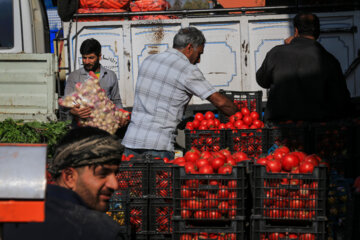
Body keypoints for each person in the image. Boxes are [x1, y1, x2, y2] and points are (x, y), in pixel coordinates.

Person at [122, 27, 238, 159]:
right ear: (189, 48)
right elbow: (221, 103)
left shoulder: (149, 60)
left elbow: (159, 100)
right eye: (199, 54)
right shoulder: (187, 70)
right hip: (158, 145)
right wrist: (241, 116)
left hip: (131, 142)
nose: (198, 60)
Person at [3, 127, 129, 240]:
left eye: (115, 174)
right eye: (102, 174)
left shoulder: (13, 217)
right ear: (69, 177)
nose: (114, 184)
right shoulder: (100, 230)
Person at [256, 12, 353, 122]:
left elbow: (262, 81)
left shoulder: (276, 52)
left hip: (279, 126)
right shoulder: (329, 60)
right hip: (316, 128)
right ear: (318, 33)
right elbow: (341, 100)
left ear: (296, 31)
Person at [64, 38, 127, 128]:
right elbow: (68, 102)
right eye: (84, 58)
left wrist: (121, 115)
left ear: (99, 57)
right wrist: (74, 110)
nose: (87, 61)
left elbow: (116, 100)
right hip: (83, 128)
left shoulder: (110, 75)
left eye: (91, 58)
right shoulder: (74, 76)